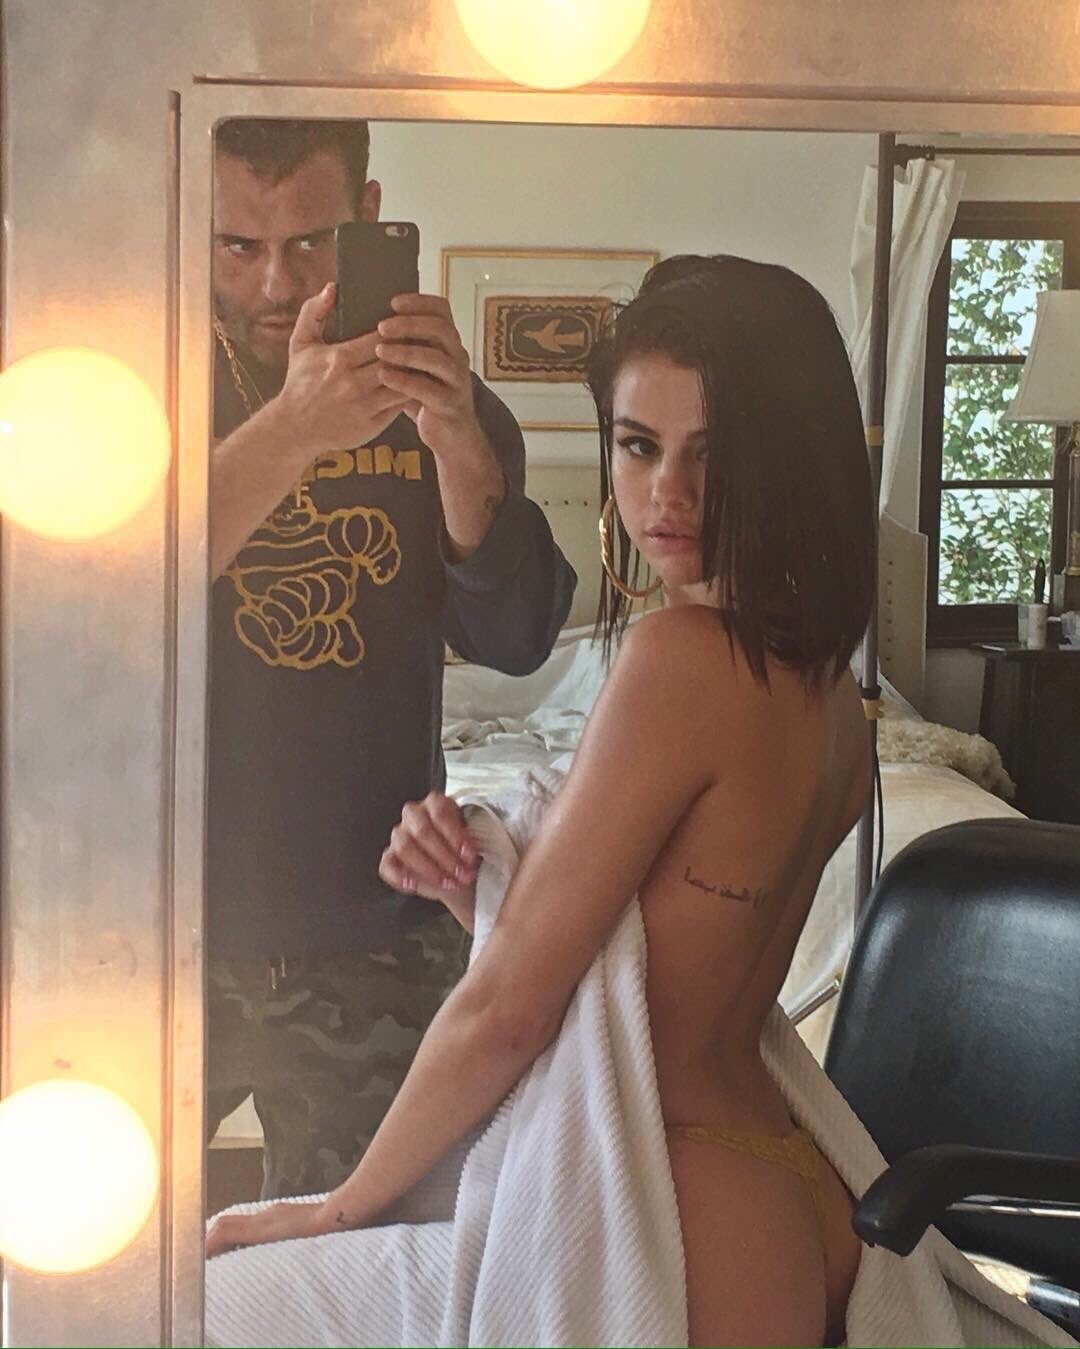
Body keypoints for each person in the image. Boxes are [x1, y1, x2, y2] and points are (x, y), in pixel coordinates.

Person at [207, 253, 876, 1346]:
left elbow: (511, 1010)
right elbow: (671, 950)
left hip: (667, 1206)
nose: (669, 493)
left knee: (199, 1303)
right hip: (782, 1195)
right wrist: (484, 890)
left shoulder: (681, 659)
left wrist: (337, 1206)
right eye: (639, 445)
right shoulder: (835, 698)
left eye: (715, 454)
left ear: (790, 459)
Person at [206, 118, 576, 1200]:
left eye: (310, 242)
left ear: (369, 215)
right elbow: (103, 608)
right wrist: (295, 428)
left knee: (368, 1259)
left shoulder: (446, 397)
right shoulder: (128, 385)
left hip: (379, 925)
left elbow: (516, 639)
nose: (276, 283)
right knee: (100, 1258)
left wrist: (454, 436)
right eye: (237, 245)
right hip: (159, 920)